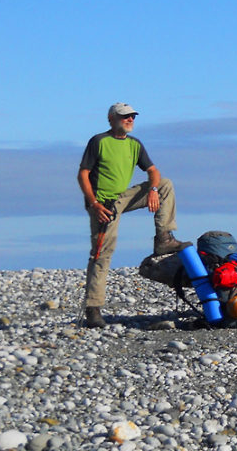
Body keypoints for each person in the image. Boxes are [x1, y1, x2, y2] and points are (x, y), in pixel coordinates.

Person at [77, 103, 191, 327]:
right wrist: (94, 204)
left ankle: (164, 239)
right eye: (124, 117)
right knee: (101, 254)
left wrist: (153, 189)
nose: (129, 120)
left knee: (165, 184)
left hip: (125, 196)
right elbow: (83, 174)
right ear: (112, 119)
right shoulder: (99, 141)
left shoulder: (135, 144)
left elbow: (153, 170)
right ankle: (93, 309)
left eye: (132, 117)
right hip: (104, 204)